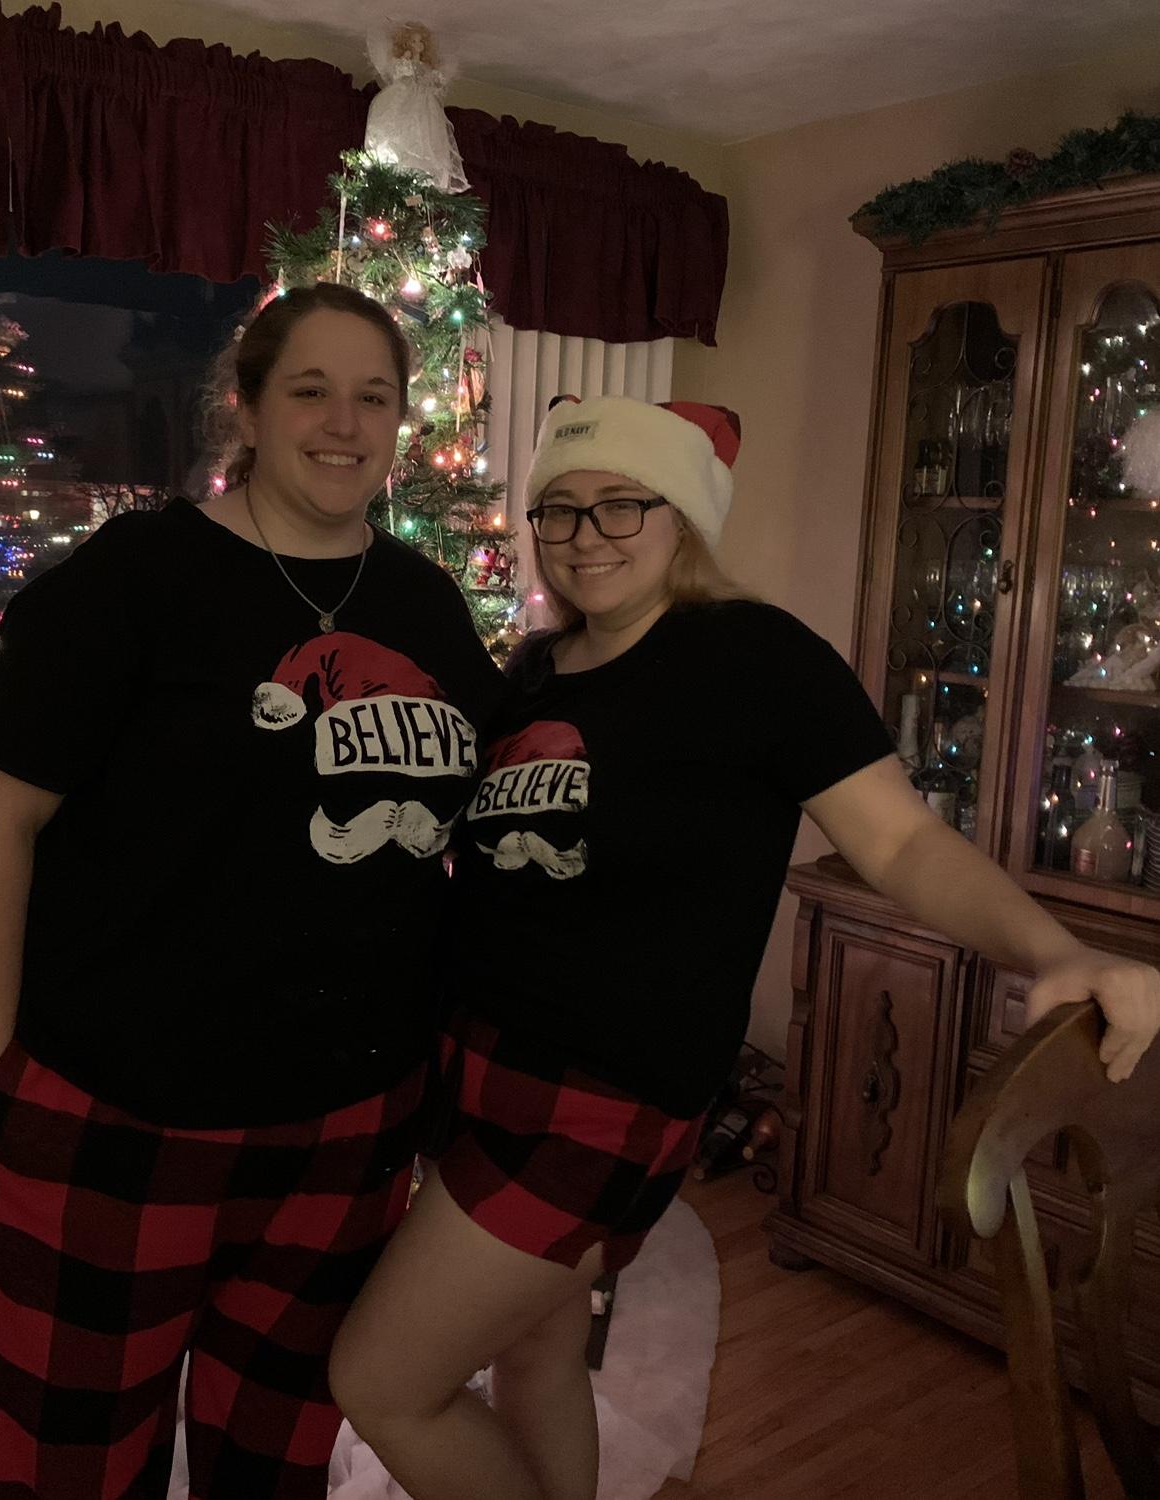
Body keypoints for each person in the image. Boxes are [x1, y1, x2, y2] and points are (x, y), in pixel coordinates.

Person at [328, 394, 1160, 1500]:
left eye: (622, 504)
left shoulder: (755, 660)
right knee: (535, 1350)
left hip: (603, 1097)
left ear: (682, 517)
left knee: (382, 1381)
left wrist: (1051, 948)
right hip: (478, 1064)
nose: (585, 536)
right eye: (559, 511)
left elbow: (901, 840)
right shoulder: (532, 673)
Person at [0, 281, 504, 1500]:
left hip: (345, 1136)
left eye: (374, 397)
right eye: (311, 390)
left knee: (273, 1469)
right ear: (246, 405)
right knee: (72, 1473)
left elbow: (487, 812)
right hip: (117, 1125)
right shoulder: (135, 580)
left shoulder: (425, 603)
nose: (345, 423)